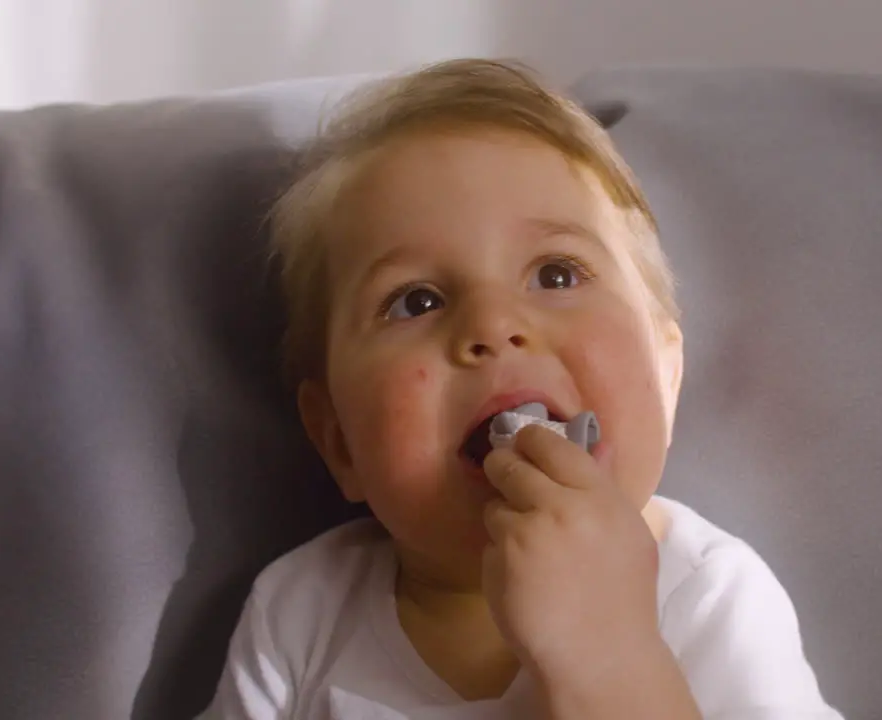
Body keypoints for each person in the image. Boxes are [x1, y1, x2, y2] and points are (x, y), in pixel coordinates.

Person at [201, 58, 844, 720]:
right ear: (339, 441)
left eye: (558, 275)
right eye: (417, 300)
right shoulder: (303, 612)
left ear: (666, 376)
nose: (494, 325)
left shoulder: (707, 595)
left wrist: (611, 657)